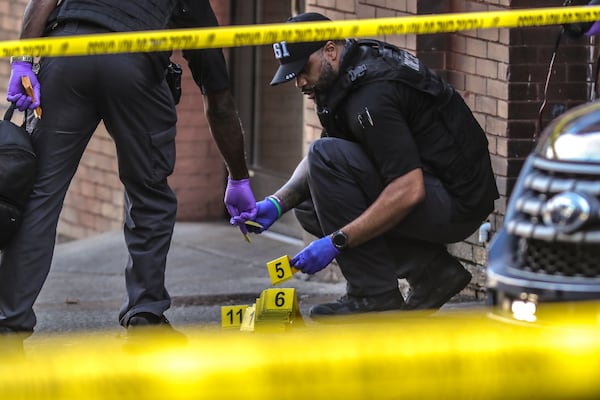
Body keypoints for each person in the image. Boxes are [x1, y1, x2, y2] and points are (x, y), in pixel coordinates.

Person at [0, 0, 255, 336]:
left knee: (40, 195)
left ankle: (9, 322)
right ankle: (145, 313)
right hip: (133, 65)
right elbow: (219, 101)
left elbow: (42, 1)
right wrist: (238, 177)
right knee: (149, 193)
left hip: (67, 55)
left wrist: (23, 63)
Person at [237, 12, 499, 319]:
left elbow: (408, 189)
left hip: (455, 201)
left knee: (325, 162)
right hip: (432, 185)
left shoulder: (373, 95)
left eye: (302, 70)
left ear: (330, 50)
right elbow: (324, 164)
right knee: (310, 203)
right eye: (293, 75)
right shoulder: (341, 76)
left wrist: (336, 241)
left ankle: (373, 296)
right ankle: (431, 273)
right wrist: (277, 203)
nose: (300, 83)